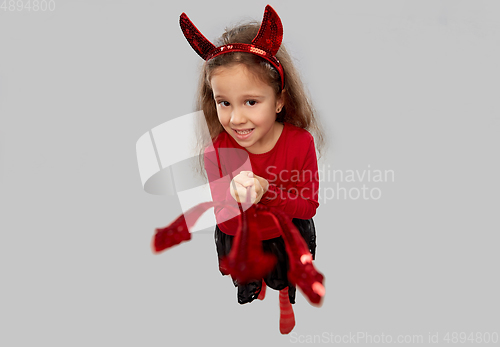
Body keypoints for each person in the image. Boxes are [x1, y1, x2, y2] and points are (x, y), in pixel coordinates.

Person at [180, 5, 325, 334]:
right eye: (224, 102)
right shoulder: (218, 151)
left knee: (286, 273)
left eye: (251, 102)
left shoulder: (299, 143)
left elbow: (308, 206)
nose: (236, 119)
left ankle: (285, 299)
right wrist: (237, 201)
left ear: (278, 101)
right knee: (247, 273)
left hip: (286, 234)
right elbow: (227, 224)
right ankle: (254, 284)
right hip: (243, 239)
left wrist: (267, 191)